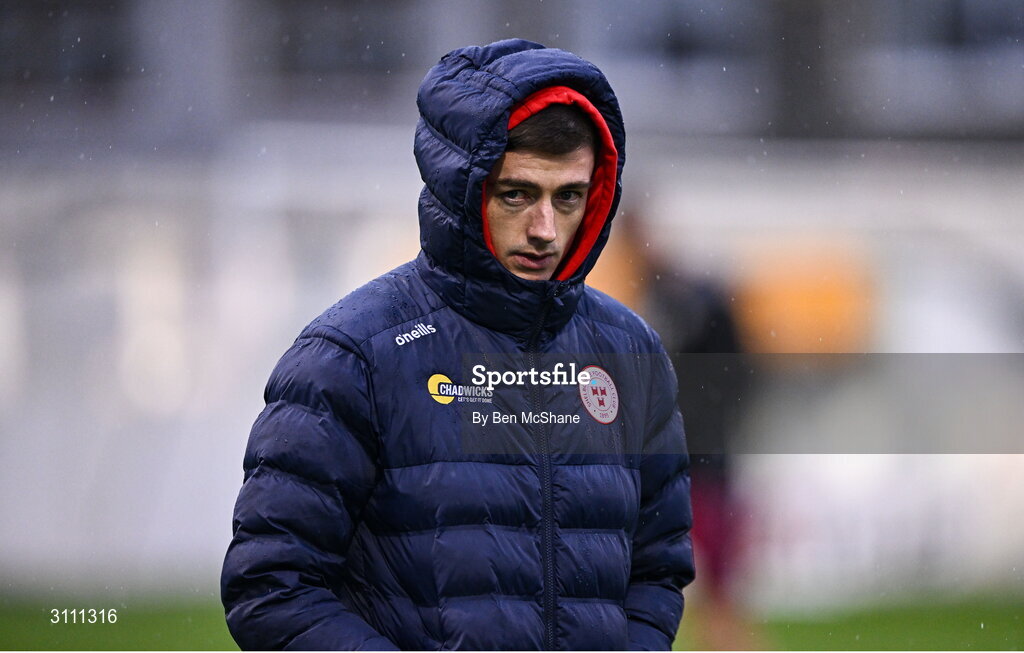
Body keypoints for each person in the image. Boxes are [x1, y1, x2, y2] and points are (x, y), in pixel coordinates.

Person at [221, 39, 694, 651]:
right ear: (461, 192)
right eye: (516, 194)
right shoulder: (352, 356)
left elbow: (656, 570)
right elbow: (271, 586)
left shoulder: (630, 353)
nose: (545, 230)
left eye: (568, 197)